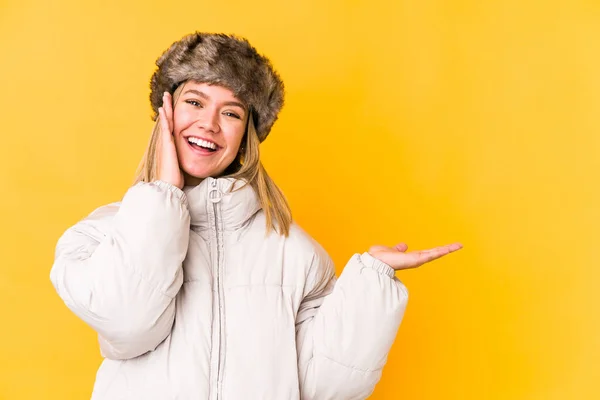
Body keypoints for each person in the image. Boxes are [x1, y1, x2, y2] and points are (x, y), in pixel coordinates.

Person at [50, 32, 462, 400]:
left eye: (231, 113)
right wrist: (162, 196)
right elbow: (129, 323)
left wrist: (372, 284)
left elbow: (324, 386)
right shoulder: (98, 236)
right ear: (166, 115)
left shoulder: (296, 253)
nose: (209, 124)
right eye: (195, 102)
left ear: (247, 134)